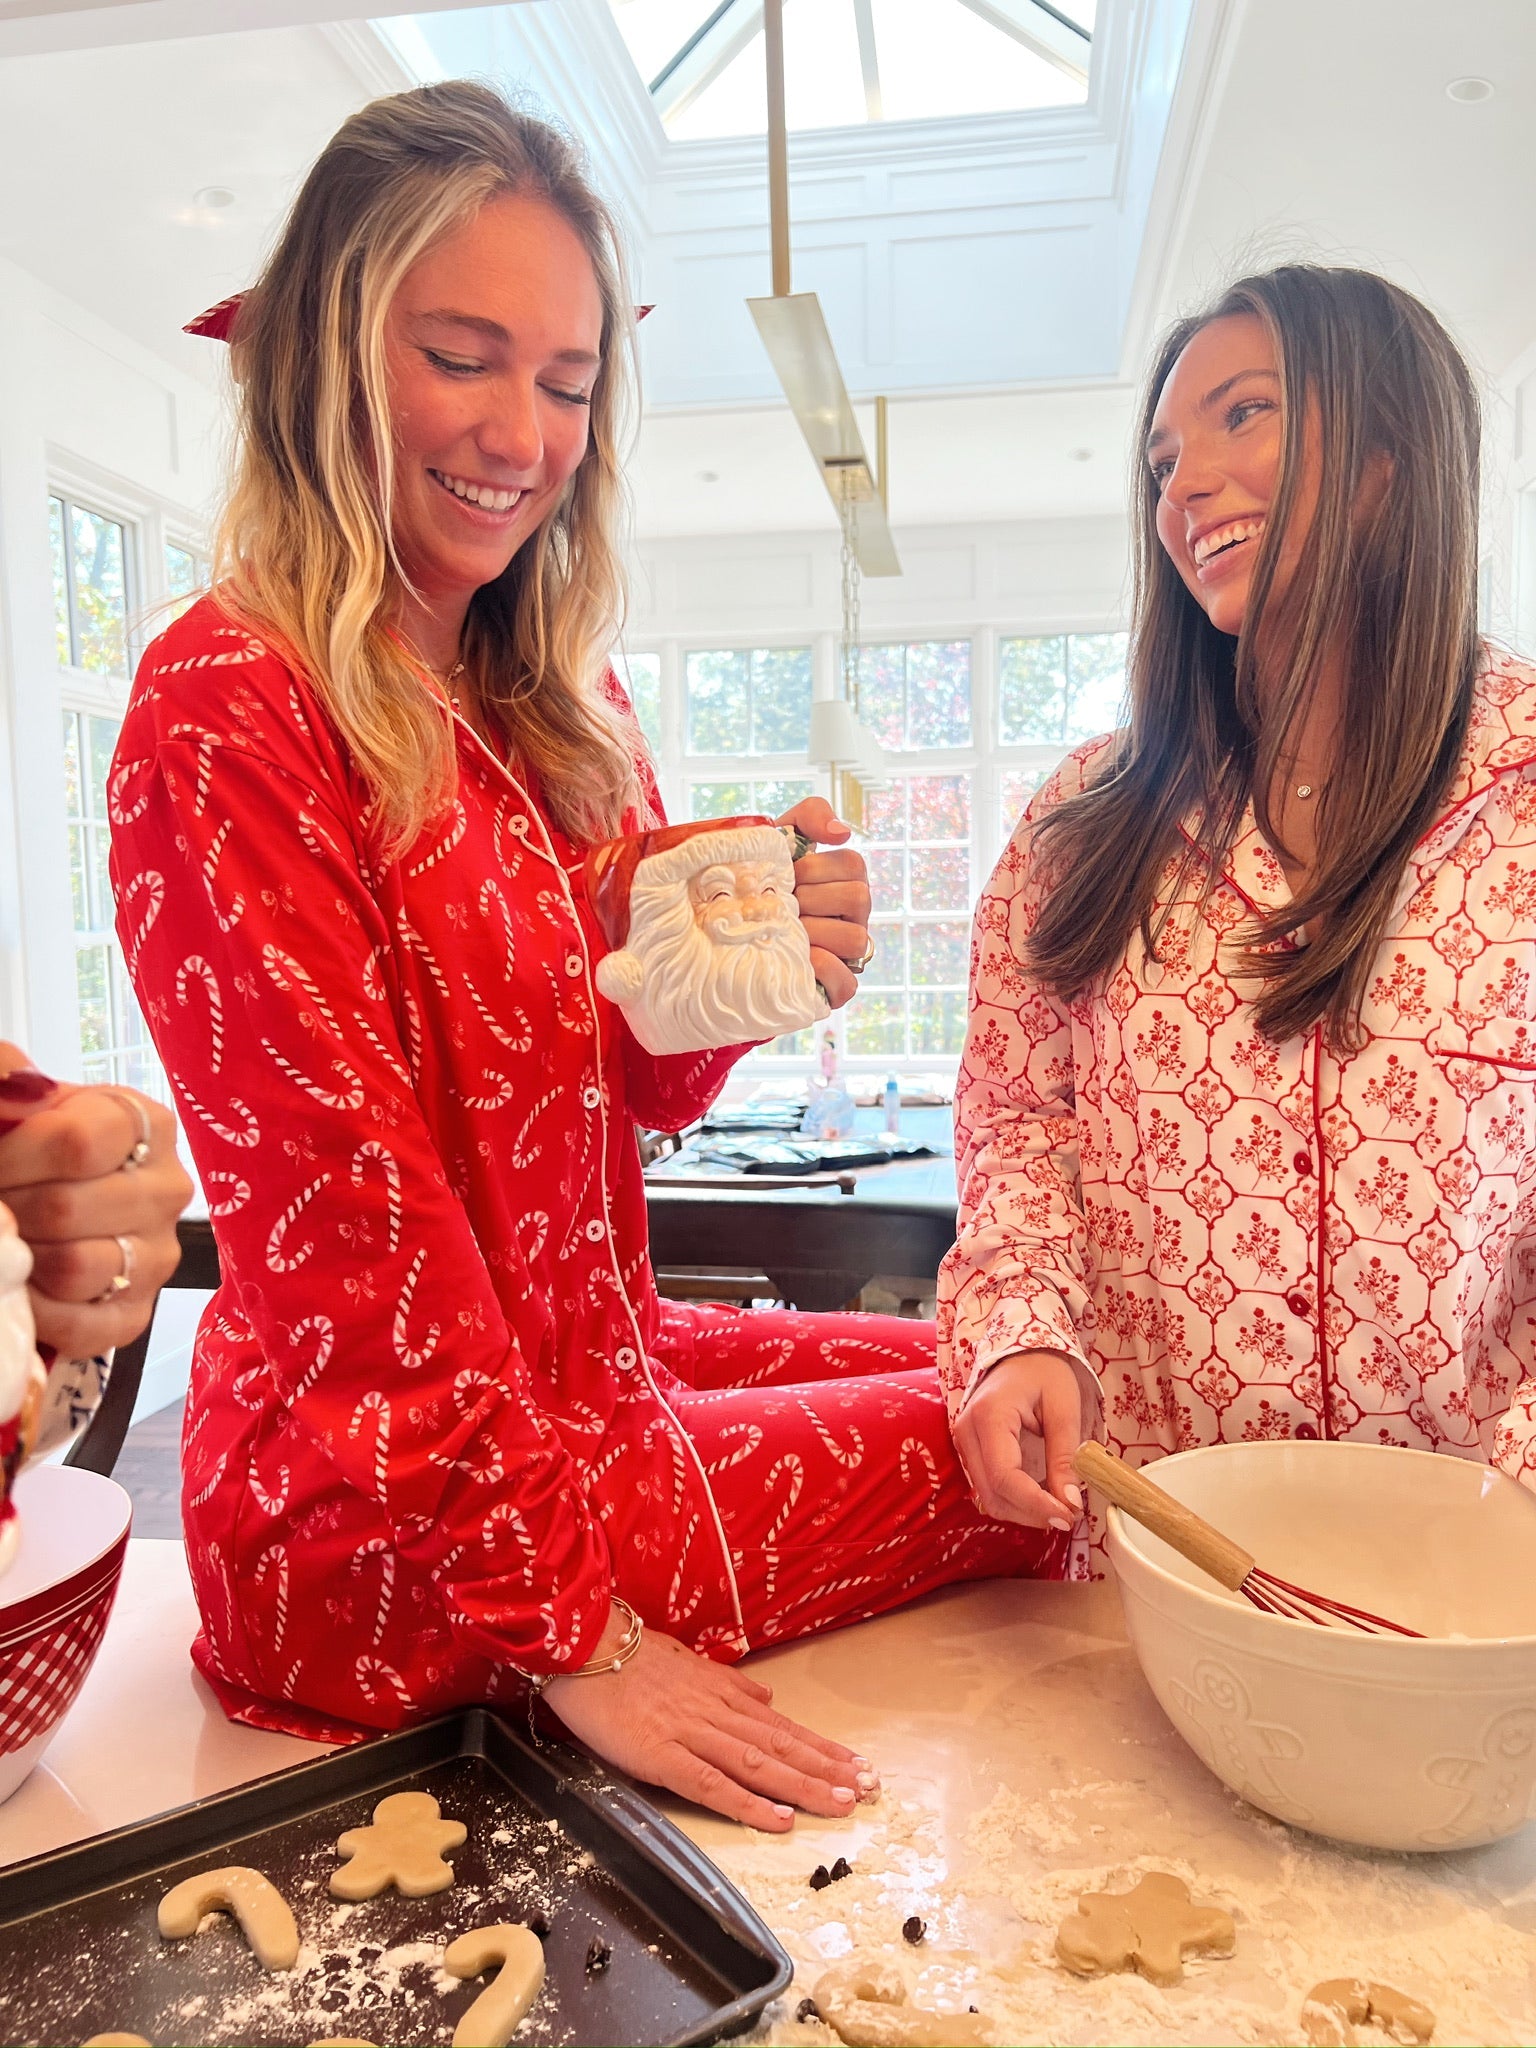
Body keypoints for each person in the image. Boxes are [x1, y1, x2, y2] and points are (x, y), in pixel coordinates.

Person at [109, 81, 1058, 1831]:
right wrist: (586, 1639)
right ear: (326, 352)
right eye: (463, 356)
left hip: (588, 1380)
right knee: (1028, 1468)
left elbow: (632, 1083)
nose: (519, 433)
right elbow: (346, 1244)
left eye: (564, 380)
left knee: (988, 1382)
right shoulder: (224, 704)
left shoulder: (558, 701)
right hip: (376, 1530)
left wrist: (751, 984)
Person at [940, 264, 1536, 1551]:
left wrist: (1509, 1524)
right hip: (1154, 1571)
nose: (1183, 484)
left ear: (1389, 453)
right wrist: (1018, 1328)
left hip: (1477, 1594)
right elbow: (1017, 1120)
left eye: (1243, 415)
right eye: (1160, 459)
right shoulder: (1081, 821)